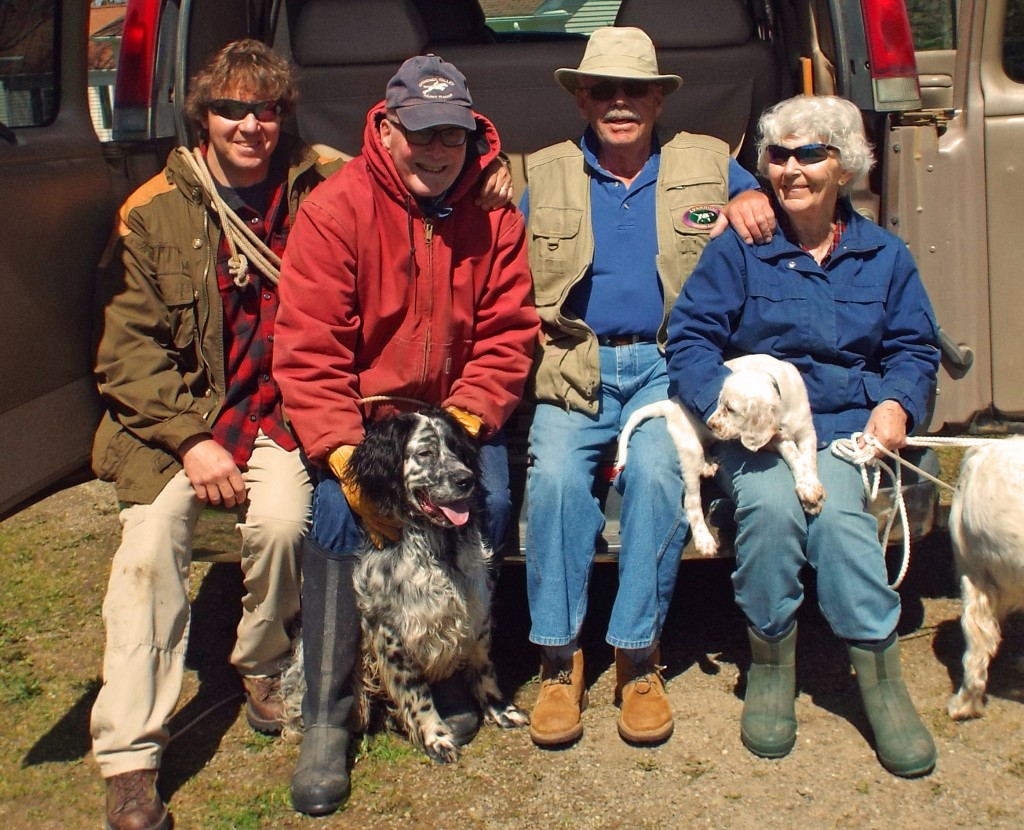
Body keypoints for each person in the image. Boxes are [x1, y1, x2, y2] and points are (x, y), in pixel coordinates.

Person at [87, 39, 346, 830]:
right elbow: (125, 354)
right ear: (203, 116)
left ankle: (261, 664)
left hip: (283, 411)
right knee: (147, 550)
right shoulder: (153, 208)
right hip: (185, 417)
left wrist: (496, 165)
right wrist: (189, 440)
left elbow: (427, 163)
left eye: (266, 110)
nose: (251, 125)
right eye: (233, 108)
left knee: (279, 525)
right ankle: (131, 758)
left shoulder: (326, 184)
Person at [273, 54, 539, 816]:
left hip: (454, 412)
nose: (436, 150)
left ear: (471, 135)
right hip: (366, 420)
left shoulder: (493, 216)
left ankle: (452, 668)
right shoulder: (336, 209)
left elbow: (507, 334)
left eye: (451, 134)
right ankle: (327, 716)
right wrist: (345, 453)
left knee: (483, 499)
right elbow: (308, 346)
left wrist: (464, 421)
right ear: (386, 130)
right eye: (420, 133)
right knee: (336, 521)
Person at [666, 94, 940, 777]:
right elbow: (691, 337)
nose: (789, 169)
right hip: (757, 429)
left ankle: (881, 679)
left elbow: (914, 349)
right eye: (778, 155)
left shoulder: (885, 255)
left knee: (842, 517)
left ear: (845, 167)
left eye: (809, 154)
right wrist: (721, 402)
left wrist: (899, 409)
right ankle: (770, 664)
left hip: (845, 427)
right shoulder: (741, 249)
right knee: (768, 508)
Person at [520, 25, 775, 749]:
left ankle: (638, 658)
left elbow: (777, 211)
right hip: (577, 367)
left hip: (669, 366)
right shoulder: (545, 175)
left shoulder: (710, 162)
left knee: (663, 475)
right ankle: (557, 660)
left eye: (637, 90)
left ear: (660, 99)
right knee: (559, 482)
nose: (620, 103)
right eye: (603, 90)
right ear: (582, 99)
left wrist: (752, 203)